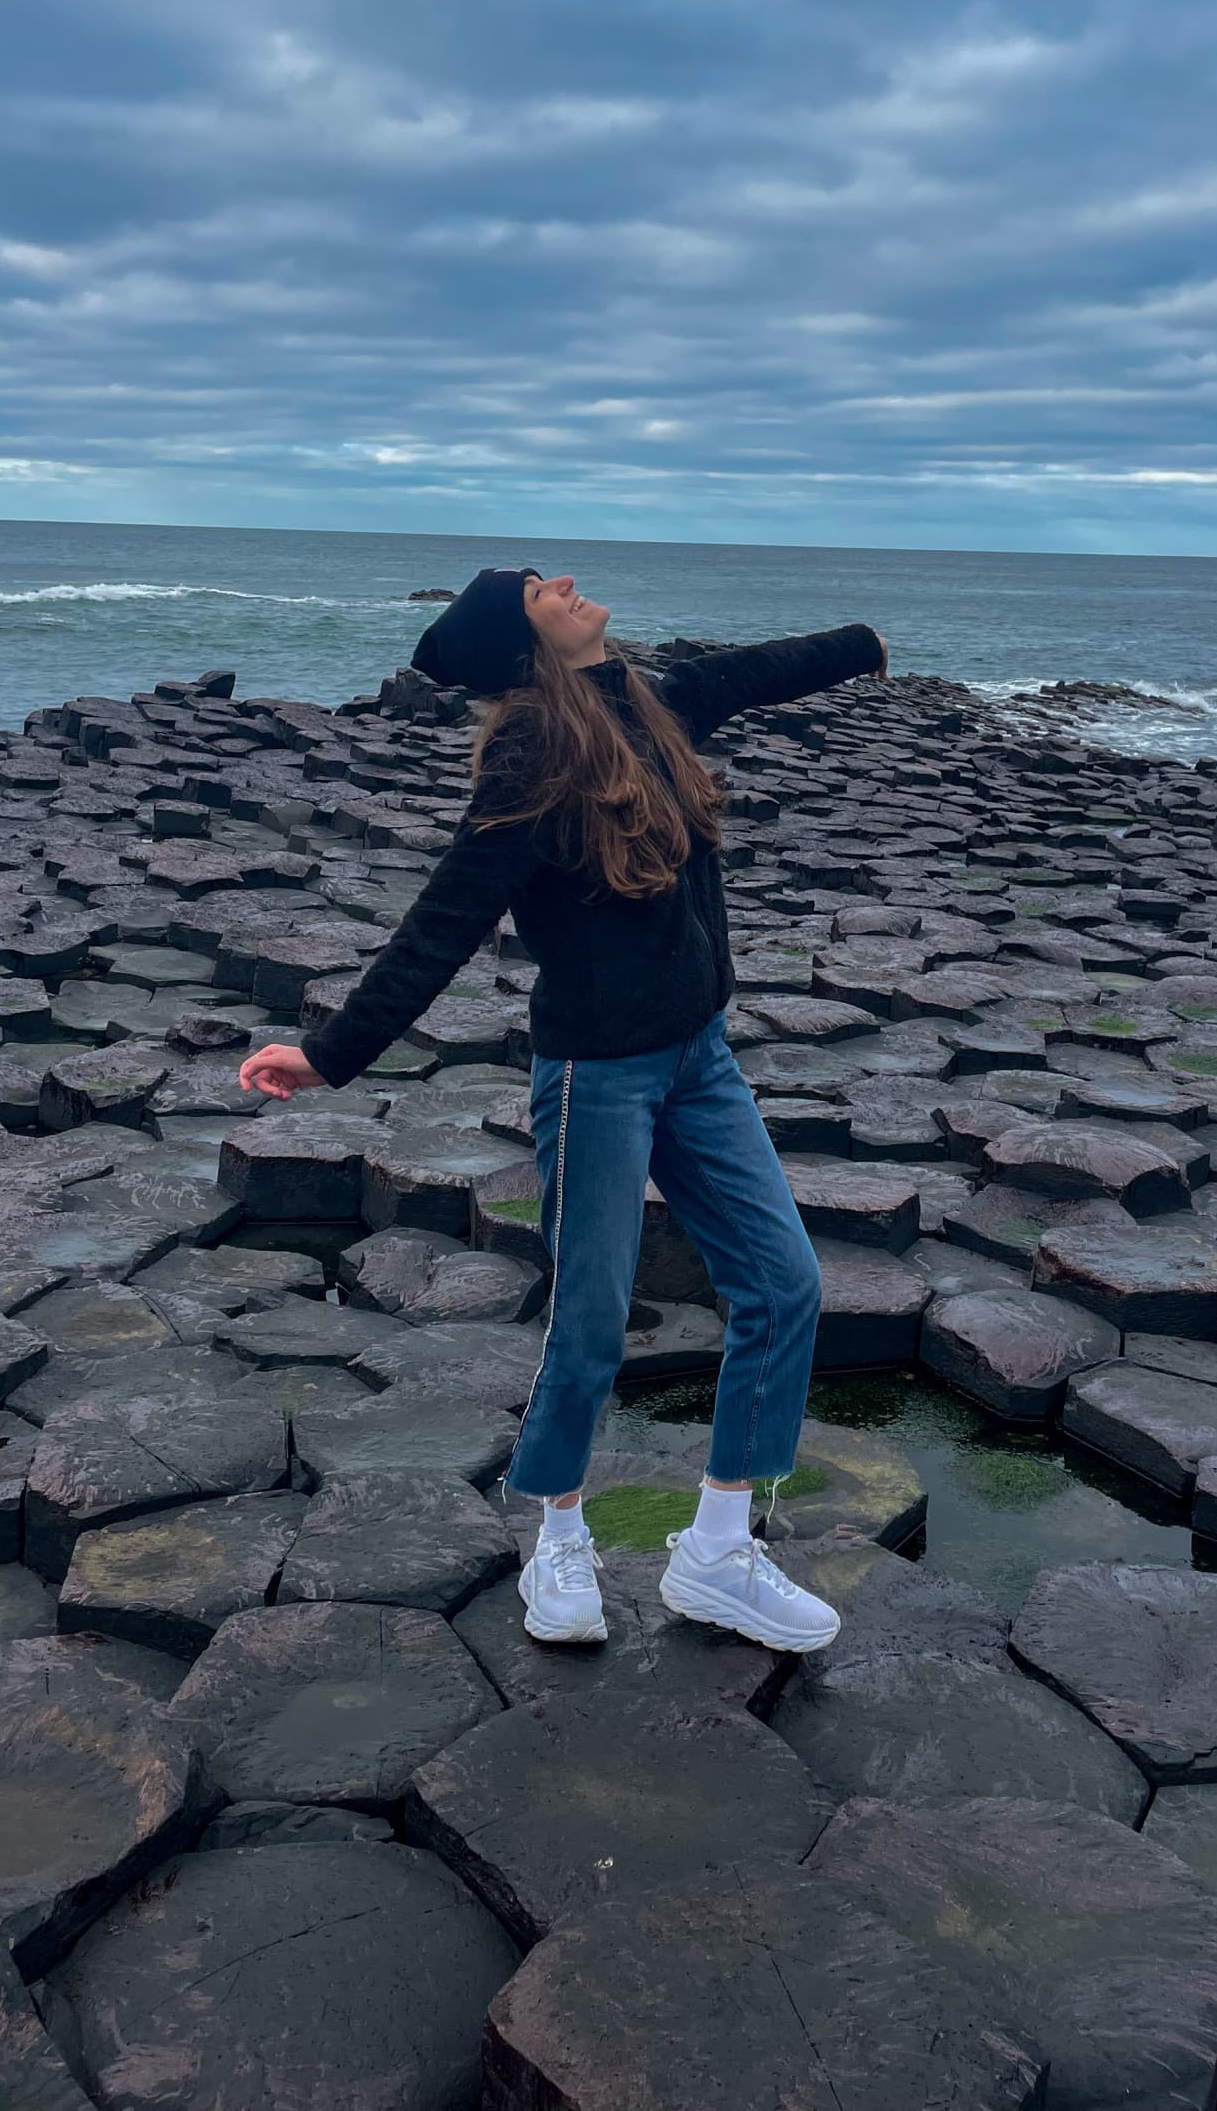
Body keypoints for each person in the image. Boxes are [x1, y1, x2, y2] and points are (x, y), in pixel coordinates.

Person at [239, 566, 889, 1655]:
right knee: (590, 1320)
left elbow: (764, 670)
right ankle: (558, 1541)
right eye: (543, 588)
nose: (570, 584)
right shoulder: (531, 752)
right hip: (597, 1072)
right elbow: (447, 915)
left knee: (782, 1284)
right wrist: (328, 1051)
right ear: (523, 640)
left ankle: (717, 1550)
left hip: (698, 1057)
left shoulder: (654, 696)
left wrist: (861, 640)